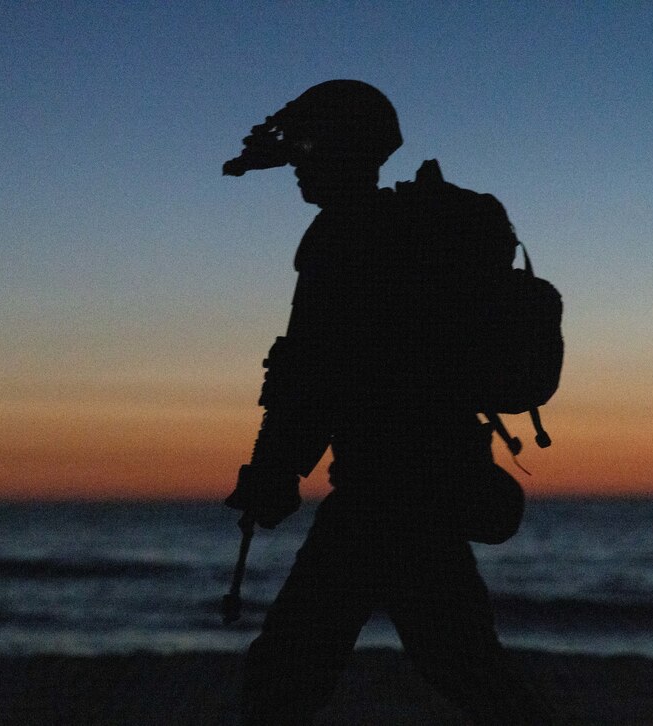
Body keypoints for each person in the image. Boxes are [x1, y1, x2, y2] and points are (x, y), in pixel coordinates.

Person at [222, 80, 551, 725]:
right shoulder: (403, 234)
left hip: (387, 492)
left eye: (309, 154)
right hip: (429, 480)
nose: (298, 170)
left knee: (285, 677)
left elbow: (313, 371)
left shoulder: (344, 238)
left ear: (347, 154)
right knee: (464, 667)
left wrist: (276, 469)